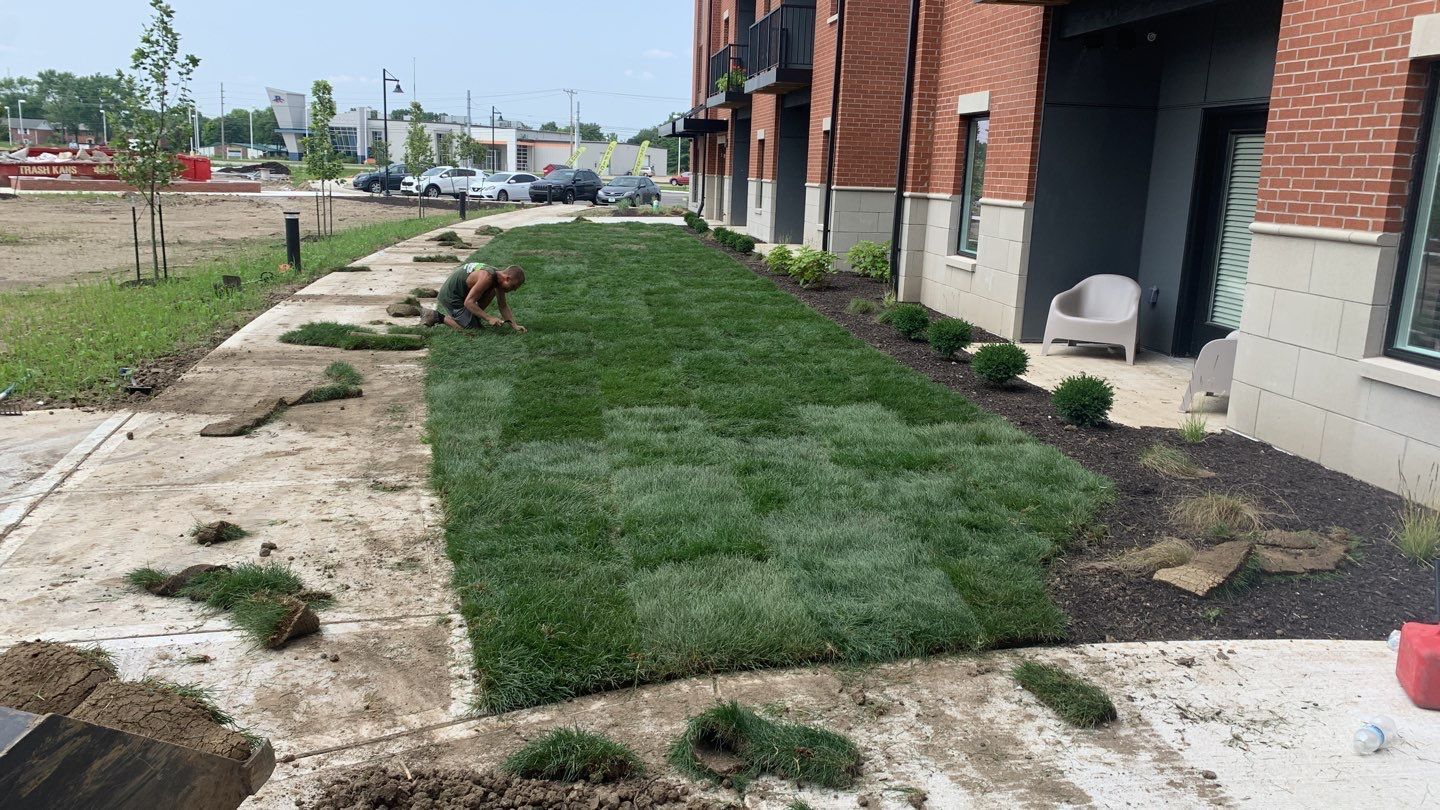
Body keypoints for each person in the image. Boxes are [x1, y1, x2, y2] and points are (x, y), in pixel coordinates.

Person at [423, 262, 528, 332]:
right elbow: (469, 302)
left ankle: (470, 317)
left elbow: (503, 305)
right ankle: (435, 316)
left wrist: (514, 325)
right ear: (507, 279)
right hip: (451, 295)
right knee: (473, 329)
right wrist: (489, 318)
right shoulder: (487, 277)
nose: (513, 290)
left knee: (492, 291)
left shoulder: (498, 278)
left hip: (464, 294)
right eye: (514, 286)